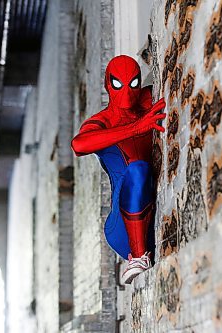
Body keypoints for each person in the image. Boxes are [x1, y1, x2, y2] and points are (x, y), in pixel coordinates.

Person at [71, 55, 166, 284]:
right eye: (117, 84)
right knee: (137, 170)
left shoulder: (145, 100)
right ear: (107, 84)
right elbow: (79, 144)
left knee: (140, 171)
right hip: (121, 231)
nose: (126, 91)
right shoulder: (103, 121)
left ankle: (141, 255)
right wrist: (135, 128)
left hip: (153, 215)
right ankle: (137, 257)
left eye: (133, 83)